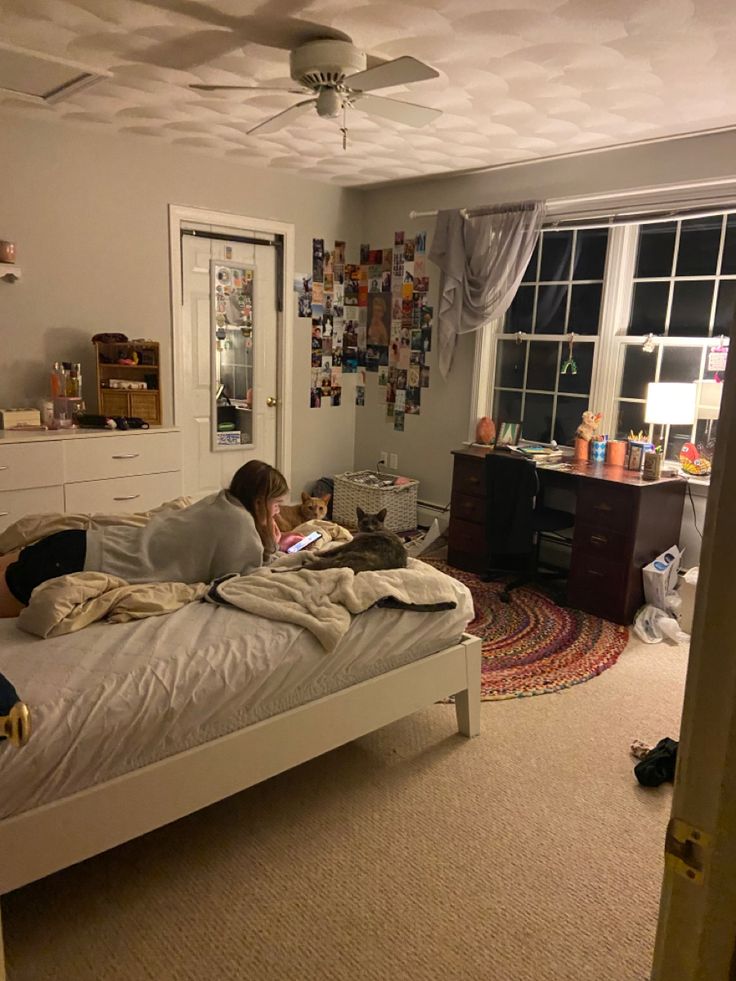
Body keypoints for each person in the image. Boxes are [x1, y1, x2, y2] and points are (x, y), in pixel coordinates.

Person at [0, 460, 303, 618]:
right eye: (276, 506)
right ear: (261, 502)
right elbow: (243, 581)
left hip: (78, 543)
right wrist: (270, 542)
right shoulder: (240, 527)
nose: (278, 513)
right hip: (79, 562)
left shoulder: (220, 501)